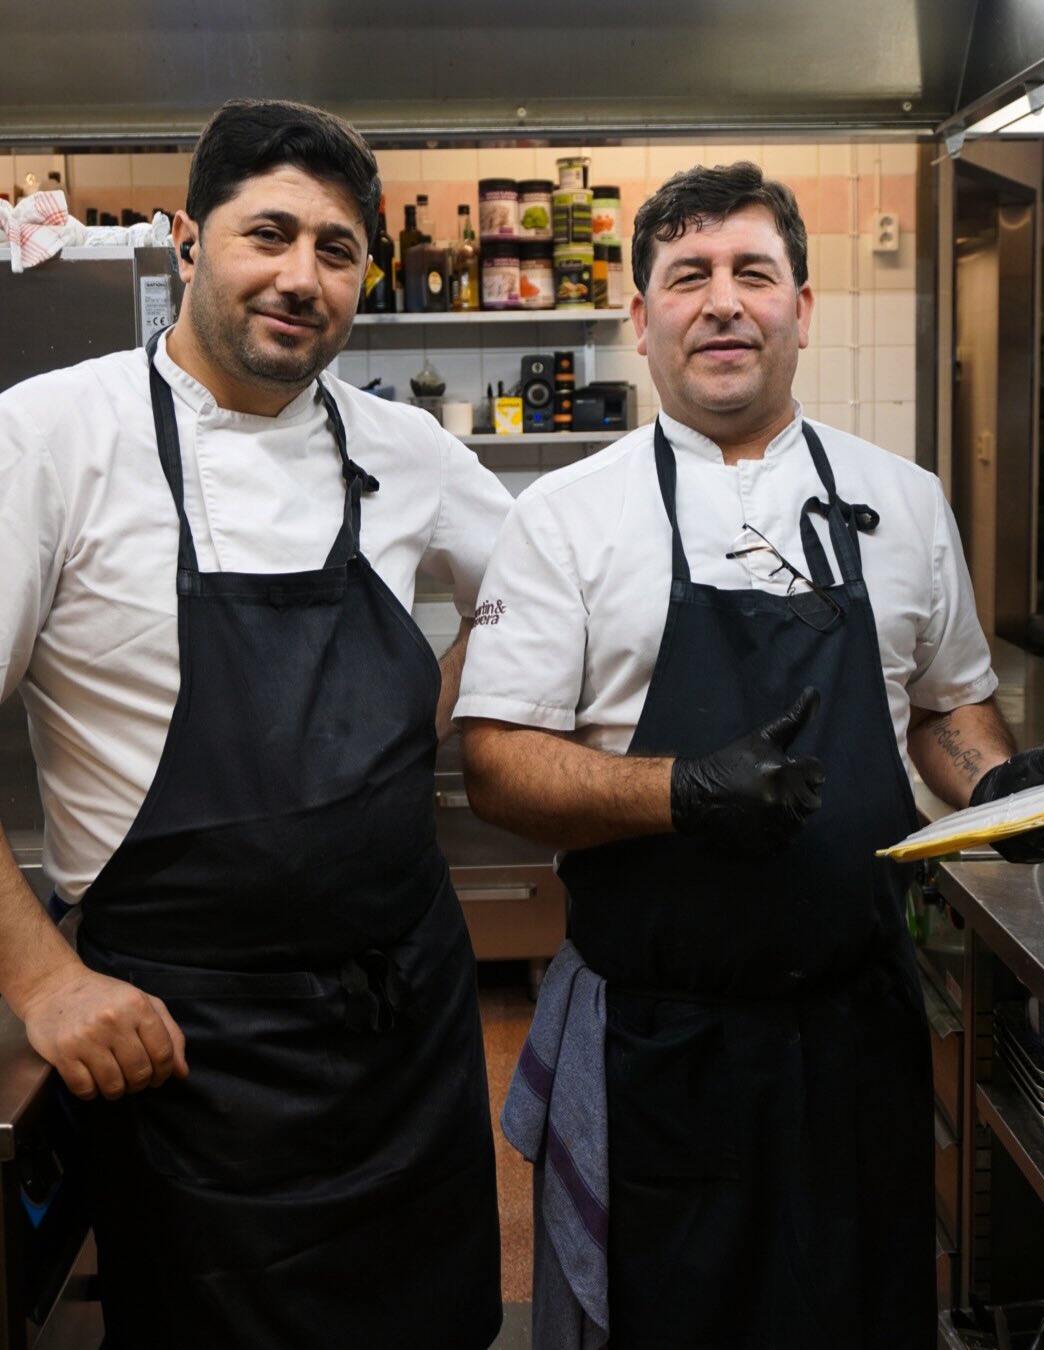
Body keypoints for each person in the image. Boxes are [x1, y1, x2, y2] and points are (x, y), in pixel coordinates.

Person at [454, 162, 1044, 1350]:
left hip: (860, 1031)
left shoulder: (904, 501)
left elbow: (949, 708)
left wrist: (994, 785)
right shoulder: (567, 517)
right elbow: (497, 765)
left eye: (755, 273)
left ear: (804, 306)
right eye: (688, 277)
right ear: (641, 319)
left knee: (861, 1314)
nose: (724, 302)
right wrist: (681, 793)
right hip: (658, 1042)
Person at [0, 98, 511, 1350]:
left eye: (337, 250)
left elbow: (533, 603)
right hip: (188, 1049)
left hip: (407, 1021)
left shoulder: (408, 450)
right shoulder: (49, 436)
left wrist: (427, 717)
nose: (301, 278)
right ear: (188, 239)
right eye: (266, 235)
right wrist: (45, 978)